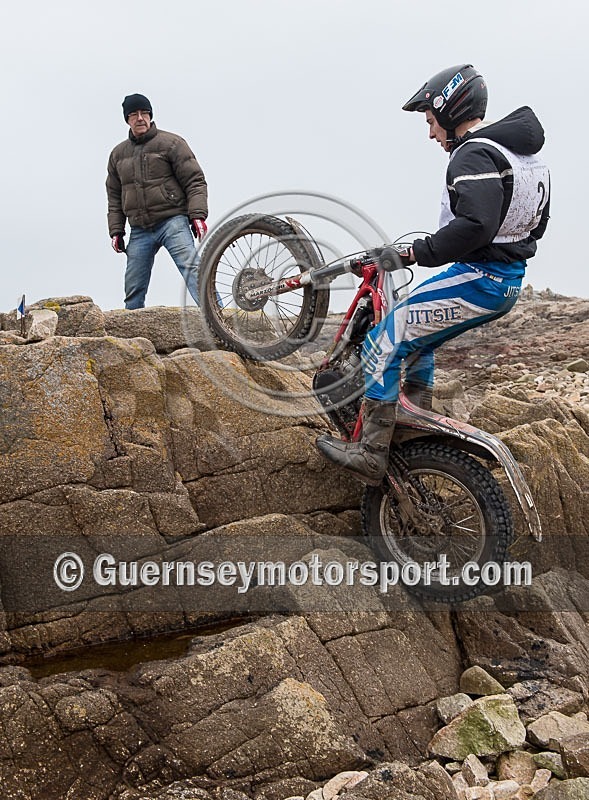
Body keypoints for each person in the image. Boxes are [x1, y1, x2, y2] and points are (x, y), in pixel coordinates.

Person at [317, 63, 550, 485]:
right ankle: (411, 409)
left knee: (380, 342)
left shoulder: (473, 153)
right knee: (411, 326)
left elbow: (475, 224)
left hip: (482, 277)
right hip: (501, 273)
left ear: (448, 110)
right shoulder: (522, 156)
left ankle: (372, 451)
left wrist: (415, 253)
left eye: (429, 121)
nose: (430, 134)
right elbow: (538, 222)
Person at [106, 93, 208, 309]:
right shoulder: (117, 155)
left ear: (151, 116)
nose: (140, 118)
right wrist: (116, 230)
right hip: (139, 229)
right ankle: (131, 335)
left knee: (193, 269)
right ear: (127, 119)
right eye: (134, 114)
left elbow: (195, 181)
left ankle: (219, 319)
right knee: (133, 285)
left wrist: (197, 215)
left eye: (144, 113)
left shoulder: (172, 143)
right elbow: (114, 196)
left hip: (173, 222)